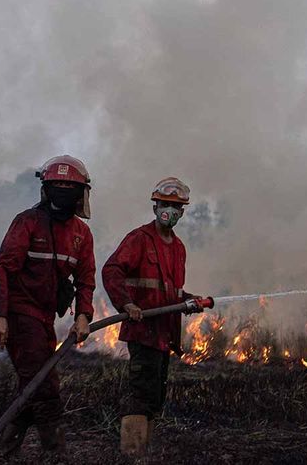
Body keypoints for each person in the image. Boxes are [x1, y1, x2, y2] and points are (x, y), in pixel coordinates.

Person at [0, 155, 96, 457]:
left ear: (81, 192)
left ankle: (2, 456)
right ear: (46, 189)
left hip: (44, 320)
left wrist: (84, 315)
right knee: (45, 388)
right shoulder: (28, 223)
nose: (63, 190)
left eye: (69, 186)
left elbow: (86, 279)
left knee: (30, 387)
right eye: (57, 185)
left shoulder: (80, 234)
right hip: (20, 315)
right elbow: (2, 269)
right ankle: (57, 456)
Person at [102, 177, 203, 456]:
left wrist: (189, 301)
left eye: (175, 206)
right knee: (141, 397)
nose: (168, 210)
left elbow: (171, 292)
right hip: (142, 331)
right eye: (164, 204)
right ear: (155, 205)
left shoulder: (179, 248)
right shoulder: (139, 239)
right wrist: (127, 304)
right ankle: (132, 454)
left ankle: (144, 452)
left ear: (182, 212)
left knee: (156, 398)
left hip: (163, 336)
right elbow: (111, 271)